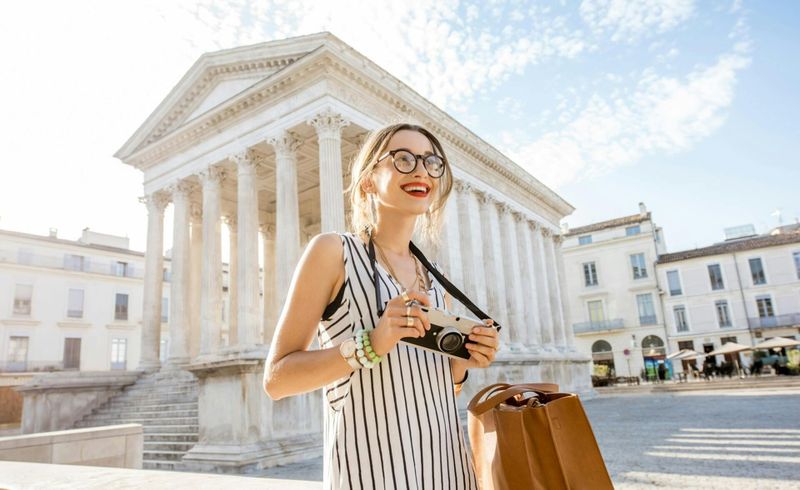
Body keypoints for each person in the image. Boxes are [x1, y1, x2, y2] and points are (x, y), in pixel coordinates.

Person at [263, 123, 500, 489]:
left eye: (431, 162)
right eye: (403, 159)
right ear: (368, 180)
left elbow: (432, 387)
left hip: (449, 472)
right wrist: (370, 344)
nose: (421, 170)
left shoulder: (436, 278)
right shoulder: (333, 252)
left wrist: (462, 365)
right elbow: (276, 380)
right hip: (370, 472)